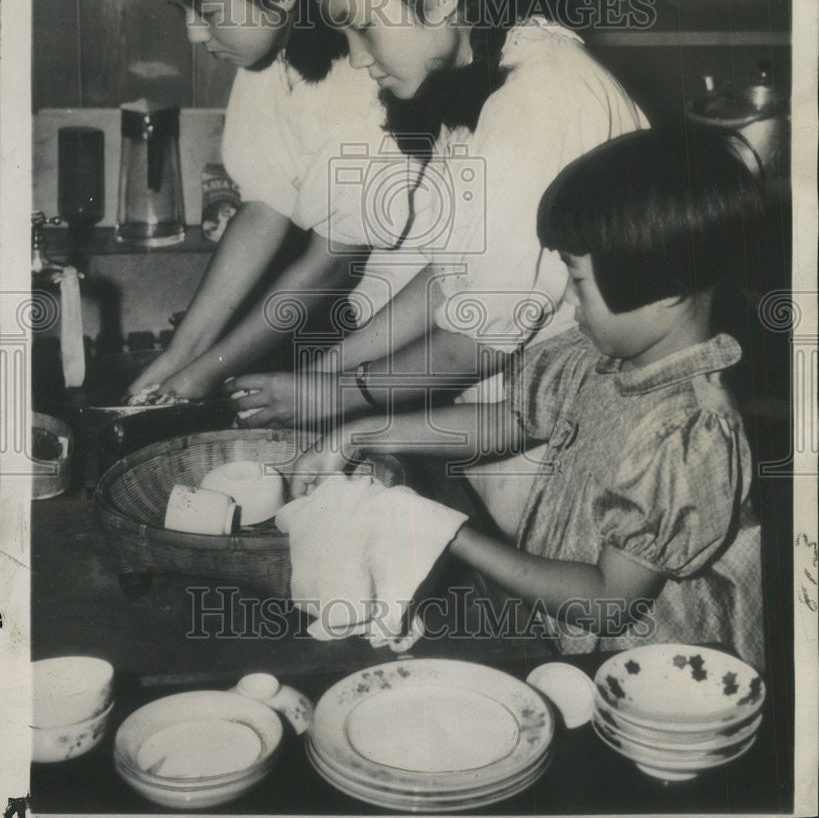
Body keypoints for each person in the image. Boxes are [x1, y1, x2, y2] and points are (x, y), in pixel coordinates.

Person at [228, 0, 646, 530]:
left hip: (593, 443)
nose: (359, 59)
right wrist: (332, 370)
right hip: (522, 415)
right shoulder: (479, 84)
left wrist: (334, 396)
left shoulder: (538, 104)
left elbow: (477, 336)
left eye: (362, 27)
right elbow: (453, 275)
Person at [289, 128, 765, 670]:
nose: (566, 294)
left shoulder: (688, 432)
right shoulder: (602, 358)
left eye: (579, 279)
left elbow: (608, 603)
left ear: (667, 286)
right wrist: (357, 433)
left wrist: (446, 533)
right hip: (572, 640)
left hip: (652, 674)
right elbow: (510, 420)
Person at [129, 0, 397, 401]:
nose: (192, 33)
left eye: (204, 8)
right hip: (372, 330)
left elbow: (333, 262)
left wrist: (206, 372)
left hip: (439, 343)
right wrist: (179, 356)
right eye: (180, 7)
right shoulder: (267, 61)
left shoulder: (365, 75)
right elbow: (264, 209)